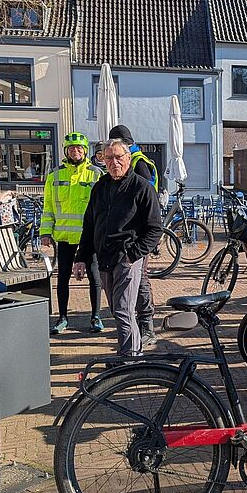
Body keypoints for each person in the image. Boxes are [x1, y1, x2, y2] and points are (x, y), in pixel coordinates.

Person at [74, 138, 163, 357]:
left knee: (123, 310)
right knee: (117, 310)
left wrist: (133, 255)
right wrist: (81, 257)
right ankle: (133, 351)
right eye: (109, 158)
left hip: (127, 258)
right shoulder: (100, 187)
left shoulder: (142, 188)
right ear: (103, 160)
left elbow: (155, 229)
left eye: (119, 157)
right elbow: (89, 225)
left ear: (128, 158)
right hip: (104, 258)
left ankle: (128, 360)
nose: (114, 162)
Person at [41, 132, 104, 334]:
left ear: (85, 151)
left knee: (95, 277)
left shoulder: (96, 174)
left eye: (79, 148)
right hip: (65, 237)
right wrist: (45, 232)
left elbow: (103, 208)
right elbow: (48, 207)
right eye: (71, 148)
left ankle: (95, 316)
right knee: (62, 278)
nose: (75, 152)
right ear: (66, 151)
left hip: (89, 238)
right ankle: (62, 318)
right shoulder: (55, 176)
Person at [108, 124, 160, 346]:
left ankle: (147, 326)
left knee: (142, 280)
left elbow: (146, 195)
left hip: (139, 236)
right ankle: (138, 325)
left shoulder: (138, 163)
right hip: (127, 237)